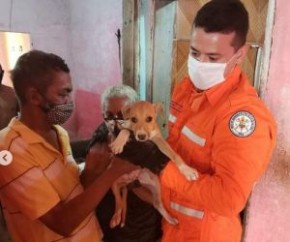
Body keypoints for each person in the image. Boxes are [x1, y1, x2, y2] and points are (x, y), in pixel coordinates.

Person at [160, 1, 277, 242]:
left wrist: (162, 169)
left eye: (213, 57)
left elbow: (228, 198)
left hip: (206, 236)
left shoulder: (242, 117)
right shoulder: (186, 89)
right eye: (194, 53)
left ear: (240, 54)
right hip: (172, 226)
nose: (200, 64)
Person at [0, 50, 136, 242]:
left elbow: (74, 195)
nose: (69, 102)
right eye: (63, 93)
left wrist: (91, 173)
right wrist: (112, 172)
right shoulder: (8, 150)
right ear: (34, 96)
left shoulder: (59, 132)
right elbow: (60, 222)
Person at [85, 84, 169, 242]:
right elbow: (87, 184)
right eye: (109, 115)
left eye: (122, 115)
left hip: (142, 235)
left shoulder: (149, 147)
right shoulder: (100, 140)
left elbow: (162, 199)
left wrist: (127, 181)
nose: (116, 122)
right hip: (105, 233)